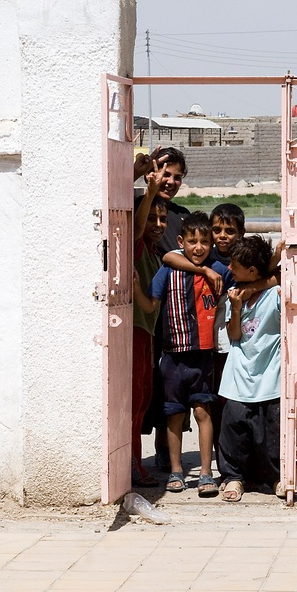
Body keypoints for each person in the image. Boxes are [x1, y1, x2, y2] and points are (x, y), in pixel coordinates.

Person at [134, 212, 229, 497]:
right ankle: (176, 472)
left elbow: (243, 282)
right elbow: (151, 306)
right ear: (181, 242)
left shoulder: (219, 270)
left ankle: (205, 474)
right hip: (173, 357)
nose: (198, 247)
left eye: (204, 242)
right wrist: (136, 288)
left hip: (203, 356)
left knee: (203, 411)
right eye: (192, 241)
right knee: (174, 416)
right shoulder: (169, 271)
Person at [133, 146, 191, 470]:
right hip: (146, 315)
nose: (170, 181)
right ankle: (136, 460)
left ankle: (166, 456)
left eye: (176, 177)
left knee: (168, 384)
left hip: (171, 317)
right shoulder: (138, 208)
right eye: (165, 174)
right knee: (143, 388)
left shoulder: (179, 215)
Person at [217, 235, 282, 503]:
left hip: (269, 375)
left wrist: (276, 260)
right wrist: (236, 306)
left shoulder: (275, 296)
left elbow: (284, 276)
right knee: (233, 428)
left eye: (235, 264)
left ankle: (278, 477)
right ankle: (233, 478)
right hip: (237, 375)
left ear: (253, 271)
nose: (229, 269)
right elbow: (234, 336)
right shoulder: (236, 294)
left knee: (272, 432)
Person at [128, 162, 167, 488]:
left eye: (162, 219)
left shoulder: (155, 255)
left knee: (142, 400)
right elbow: (136, 230)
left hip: (148, 333)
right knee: (134, 401)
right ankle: (132, 466)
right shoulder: (139, 246)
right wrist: (150, 189)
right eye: (152, 217)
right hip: (137, 333)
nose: (156, 224)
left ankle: (134, 463)